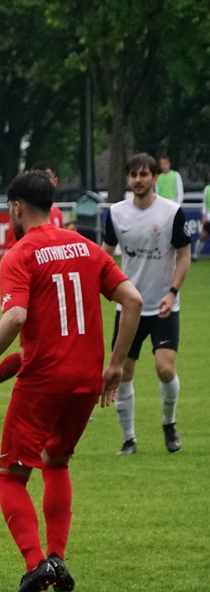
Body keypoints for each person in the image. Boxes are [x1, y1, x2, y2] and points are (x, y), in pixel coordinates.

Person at [0, 170, 142, 592]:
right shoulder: (87, 247)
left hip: (42, 380)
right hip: (86, 380)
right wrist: (115, 365)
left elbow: (15, 316)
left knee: (11, 476)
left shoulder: (19, 254)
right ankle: (57, 558)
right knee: (56, 461)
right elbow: (132, 300)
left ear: (16, 208)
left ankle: (35, 563)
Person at [102, 152, 190, 455]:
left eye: (144, 174)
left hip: (163, 306)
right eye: (133, 175)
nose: (138, 180)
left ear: (154, 177)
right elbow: (105, 255)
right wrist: (106, 288)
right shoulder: (117, 213)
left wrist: (173, 292)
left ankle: (169, 423)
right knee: (122, 373)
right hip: (129, 309)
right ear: (128, 179)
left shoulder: (171, 212)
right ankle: (129, 439)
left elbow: (184, 255)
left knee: (165, 369)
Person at [0, 162, 64, 419]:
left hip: (56, 288)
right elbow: (22, 248)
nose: (47, 182)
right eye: (43, 177)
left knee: (56, 347)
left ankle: (66, 399)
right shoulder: (24, 222)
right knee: (29, 353)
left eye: (50, 177)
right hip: (33, 287)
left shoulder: (56, 214)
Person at [193, 181, 210, 261]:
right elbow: (205, 203)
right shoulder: (207, 189)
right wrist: (204, 215)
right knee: (202, 237)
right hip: (209, 218)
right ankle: (195, 255)